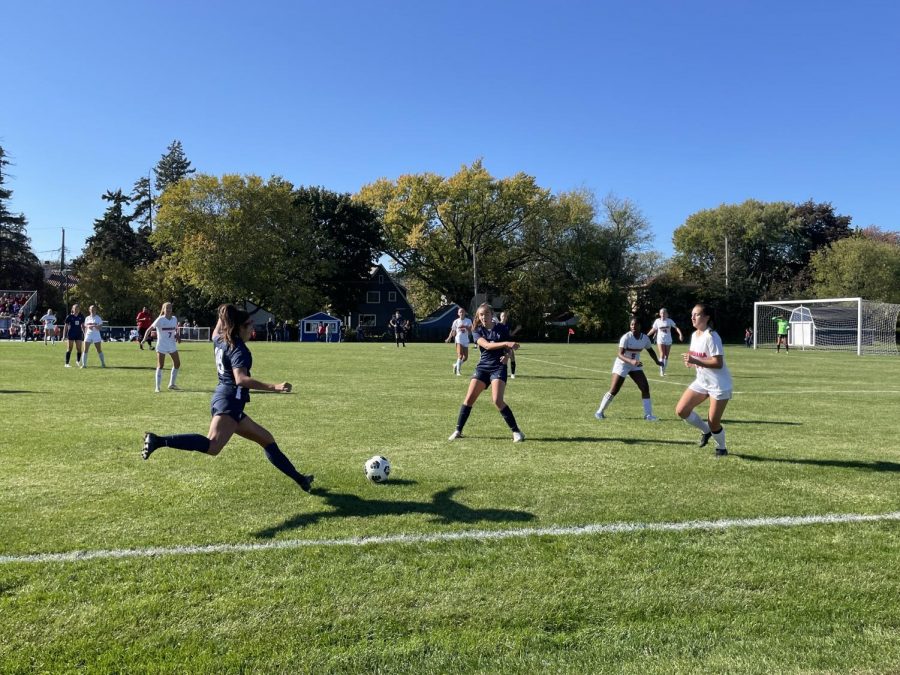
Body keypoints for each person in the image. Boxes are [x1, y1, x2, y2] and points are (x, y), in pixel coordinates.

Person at [142, 303, 313, 493]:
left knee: (267, 440)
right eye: (249, 324)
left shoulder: (220, 339)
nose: (252, 328)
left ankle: (301, 479)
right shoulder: (239, 349)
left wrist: (224, 312)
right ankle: (158, 440)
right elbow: (241, 379)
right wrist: (275, 387)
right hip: (230, 400)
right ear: (240, 328)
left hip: (227, 399)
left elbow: (216, 330)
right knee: (213, 446)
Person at [448, 303, 524, 442]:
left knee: (497, 400)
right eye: (481, 315)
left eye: (486, 314)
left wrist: (507, 355)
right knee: (469, 399)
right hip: (483, 367)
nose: (483, 317)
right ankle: (458, 430)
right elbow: (487, 346)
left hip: (498, 367)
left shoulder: (501, 328)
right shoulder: (477, 330)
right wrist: (507, 343)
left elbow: (509, 349)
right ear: (478, 316)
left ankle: (516, 432)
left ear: (491, 315)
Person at [675, 303, 733, 457]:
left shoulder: (712, 336)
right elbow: (696, 355)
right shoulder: (695, 335)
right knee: (681, 410)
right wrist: (690, 360)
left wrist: (696, 361)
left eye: (697, 314)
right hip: (702, 382)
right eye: (692, 314)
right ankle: (705, 431)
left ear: (707, 318)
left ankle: (721, 448)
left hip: (719, 385)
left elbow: (718, 363)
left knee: (714, 422)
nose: (693, 317)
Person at [594, 317, 661, 421]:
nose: (633, 326)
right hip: (622, 364)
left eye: (635, 324)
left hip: (634, 365)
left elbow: (650, 351)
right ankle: (599, 412)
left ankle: (648, 415)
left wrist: (657, 361)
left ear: (640, 326)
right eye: (632, 325)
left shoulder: (645, 338)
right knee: (614, 390)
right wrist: (631, 361)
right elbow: (619, 354)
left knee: (645, 387)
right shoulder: (626, 337)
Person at [144, 302, 181, 392]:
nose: (168, 310)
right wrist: (144, 339)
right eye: (167, 308)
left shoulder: (174, 319)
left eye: (170, 308)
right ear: (163, 309)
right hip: (162, 345)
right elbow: (149, 329)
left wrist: (177, 336)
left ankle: (171, 384)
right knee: (160, 365)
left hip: (172, 345)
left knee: (177, 364)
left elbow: (175, 330)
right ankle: (157, 387)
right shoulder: (160, 319)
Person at [646, 307, 683, 376]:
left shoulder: (669, 321)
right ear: (660, 314)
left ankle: (663, 370)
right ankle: (661, 372)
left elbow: (676, 328)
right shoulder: (657, 321)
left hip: (668, 340)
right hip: (660, 340)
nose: (663, 314)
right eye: (661, 313)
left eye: (664, 313)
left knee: (666, 356)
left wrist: (680, 334)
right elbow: (653, 329)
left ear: (667, 314)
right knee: (662, 354)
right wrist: (647, 335)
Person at [446, 307, 473, 376]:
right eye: (460, 312)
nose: (461, 313)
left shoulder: (468, 321)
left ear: (465, 313)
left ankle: (455, 365)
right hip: (458, 339)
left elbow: (470, 332)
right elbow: (453, 331)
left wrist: (466, 327)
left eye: (463, 312)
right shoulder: (456, 321)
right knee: (460, 355)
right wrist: (449, 338)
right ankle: (458, 371)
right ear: (458, 313)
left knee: (465, 357)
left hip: (465, 340)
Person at [497, 311, 521, 379]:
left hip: (508, 344)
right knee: (501, 359)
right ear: (500, 317)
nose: (504, 317)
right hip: (500, 344)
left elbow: (511, 334)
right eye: (502, 316)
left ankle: (512, 374)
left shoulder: (508, 325)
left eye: (505, 316)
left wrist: (516, 329)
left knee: (512, 358)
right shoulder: (498, 325)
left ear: (506, 317)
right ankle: (499, 373)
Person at [61, 303, 85, 368]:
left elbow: (82, 326)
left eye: (78, 308)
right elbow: (65, 326)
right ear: (72, 309)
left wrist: (85, 334)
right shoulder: (69, 316)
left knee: (79, 349)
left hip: (78, 334)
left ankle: (78, 361)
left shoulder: (81, 316)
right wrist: (63, 336)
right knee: (69, 349)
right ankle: (66, 363)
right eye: (75, 308)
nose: (76, 310)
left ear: (79, 309)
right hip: (71, 334)